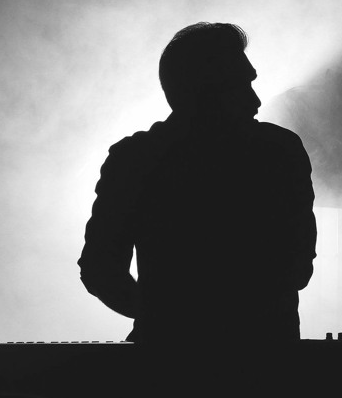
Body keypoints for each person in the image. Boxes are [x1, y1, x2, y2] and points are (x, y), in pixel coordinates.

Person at [78, 22, 316, 345]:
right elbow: (298, 266)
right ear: (205, 91)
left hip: (167, 360)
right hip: (266, 355)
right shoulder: (279, 151)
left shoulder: (134, 158)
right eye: (241, 86)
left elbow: (100, 269)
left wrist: (162, 318)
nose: (256, 101)